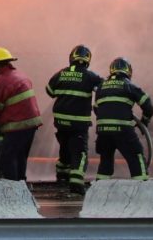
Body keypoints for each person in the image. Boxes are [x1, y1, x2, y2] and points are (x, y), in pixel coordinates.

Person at [46, 44, 104, 194]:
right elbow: (104, 89)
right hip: (78, 125)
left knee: (64, 149)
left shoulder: (60, 74)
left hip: (60, 123)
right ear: (87, 60)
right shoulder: (90, 76)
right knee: (80, 152)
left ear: (71, 58)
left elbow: (49, 91)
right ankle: (77, 184)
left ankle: (62, 176)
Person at [0, 47, 43, 181]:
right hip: (32, 124)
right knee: (20, 156)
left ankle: (12, 189)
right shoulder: (21, 76)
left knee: (7, 158)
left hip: (17, 126)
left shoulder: (1, 82)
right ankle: (21, 185)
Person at [94, 57, 153, 181]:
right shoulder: (128, 85)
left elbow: (96, 109)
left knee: (105, 161)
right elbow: (148, 105)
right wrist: (144, 121)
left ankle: (100, 190)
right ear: (128, 71)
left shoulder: (100, 87)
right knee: (136, 157)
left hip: (103, 131)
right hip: (123, 130)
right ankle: (141, 189)